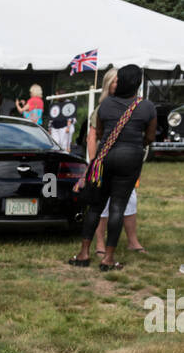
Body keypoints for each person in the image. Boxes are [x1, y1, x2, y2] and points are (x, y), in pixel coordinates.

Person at [67, 63, 156, 272]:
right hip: (130, 159)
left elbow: (98, 135)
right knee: (117, 206)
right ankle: (108, 259)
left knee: (96, 206)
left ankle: (83, 253)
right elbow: (150, 137)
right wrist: (136, 144)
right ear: (138, 84)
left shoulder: (105, 105)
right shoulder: (147, 107)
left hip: (104, 158)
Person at [85, 68, 143, 257]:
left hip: (125, 163)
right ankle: (100, 243)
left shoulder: (133, 107)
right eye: (114, 82)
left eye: (120, 82)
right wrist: (94, 163)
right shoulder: (102, 108)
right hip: (103, 161)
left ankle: (132, 241)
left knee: (130, 200)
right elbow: (91, 138)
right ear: (108, 85)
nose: (118, 85)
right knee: (101, 203)